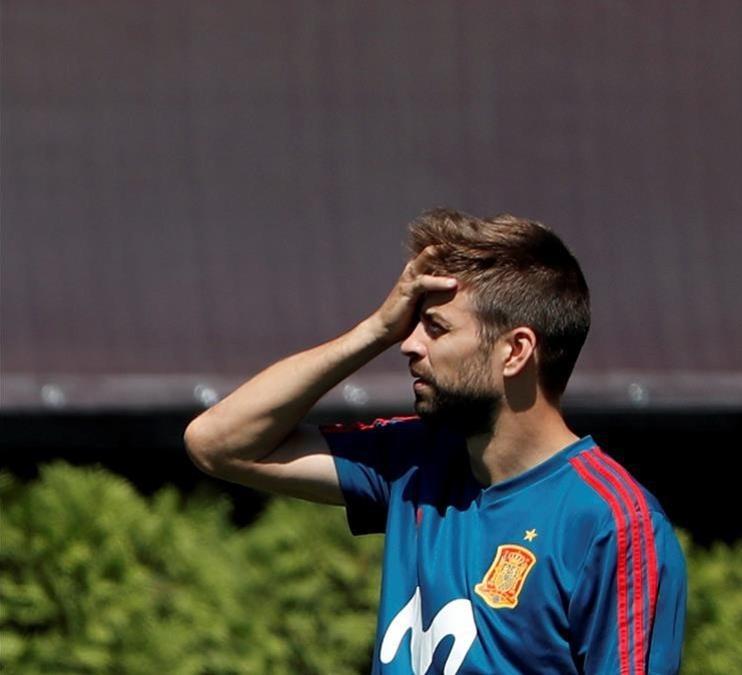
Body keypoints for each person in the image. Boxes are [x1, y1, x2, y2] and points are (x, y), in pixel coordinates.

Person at [183, 208, 687, 675]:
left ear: (516, 351)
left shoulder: (612, 521)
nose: (408, 344)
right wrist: (373, 330)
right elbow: (218, 443)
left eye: (435, 328)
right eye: (406, 327)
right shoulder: (415, 460)